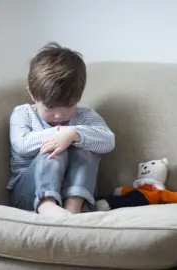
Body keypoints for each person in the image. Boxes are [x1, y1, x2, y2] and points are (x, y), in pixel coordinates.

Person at [8, 42, 115, 217]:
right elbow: (22, 145)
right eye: (49, 107)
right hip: (28, 195)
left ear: (78, 98)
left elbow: (109, 141)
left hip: (78, 197)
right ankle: (46, 204)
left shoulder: (85, 117)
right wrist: (59, 135)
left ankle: (73, 207)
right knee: (54, 147)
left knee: (85, 147)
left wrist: (73, 134)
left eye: (68, 106)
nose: (59, 116)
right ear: (33, 95)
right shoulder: (23, 114)